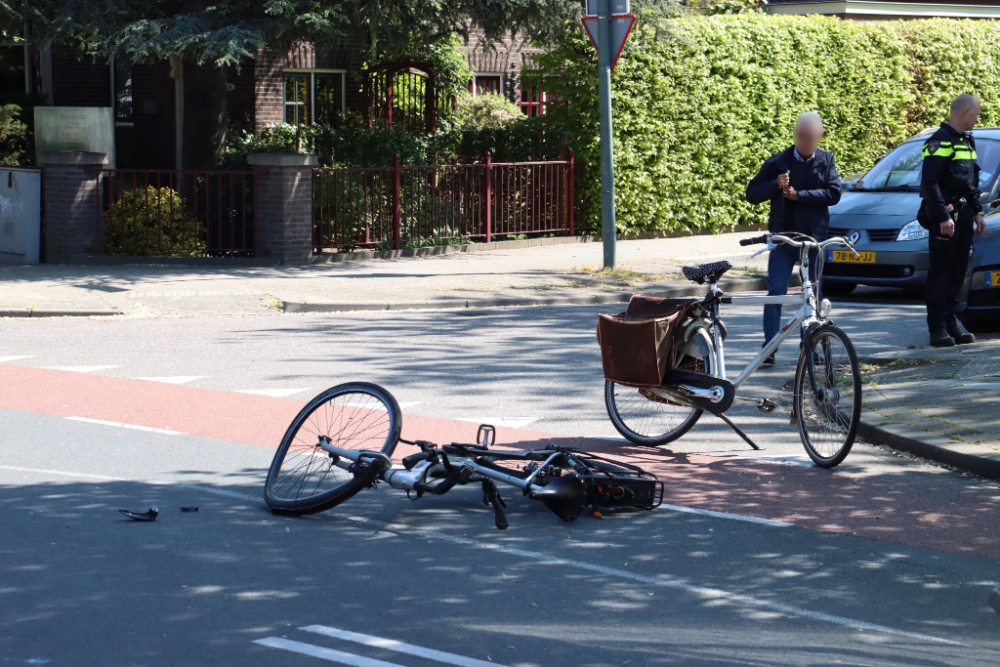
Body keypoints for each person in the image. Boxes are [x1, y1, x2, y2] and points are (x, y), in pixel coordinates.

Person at [745, 112, 842, 363]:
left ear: (820, 136)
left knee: (812, 294)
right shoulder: (779, 162)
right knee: (776, 290)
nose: (804, 141)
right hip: (784, 239)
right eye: (800, 136)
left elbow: (833, 194)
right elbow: (752, 193)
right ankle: (769, 348)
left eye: (810, 137)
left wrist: (801, 196)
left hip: (813, 240)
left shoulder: (826, 161)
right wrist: (775, 185)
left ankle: (809, 347)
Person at [919, 94, 987, 347]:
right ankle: (937, 329)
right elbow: (929, 183)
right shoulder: (939, 142)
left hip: (964, 214)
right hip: (945, 216)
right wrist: (942, 216)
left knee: (957, 273)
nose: (978, 118)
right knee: (941, 273)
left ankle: (950, 323)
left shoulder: (966, 142)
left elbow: (969, 183)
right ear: (966, 112)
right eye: (977, 113)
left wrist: (978, 211)